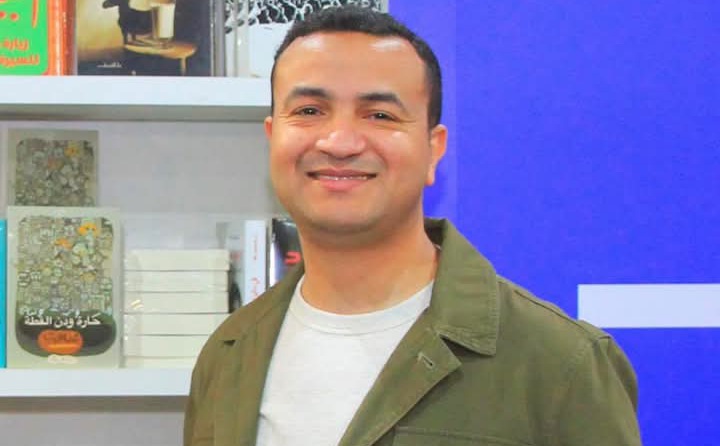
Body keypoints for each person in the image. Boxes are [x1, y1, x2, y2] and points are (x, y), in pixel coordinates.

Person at [184, 6, 642, 446]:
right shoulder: (229, 354)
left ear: (433, 149)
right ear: (272, 137)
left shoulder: (560, 363)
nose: (340, 141)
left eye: (379, 115)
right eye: (308, 111)